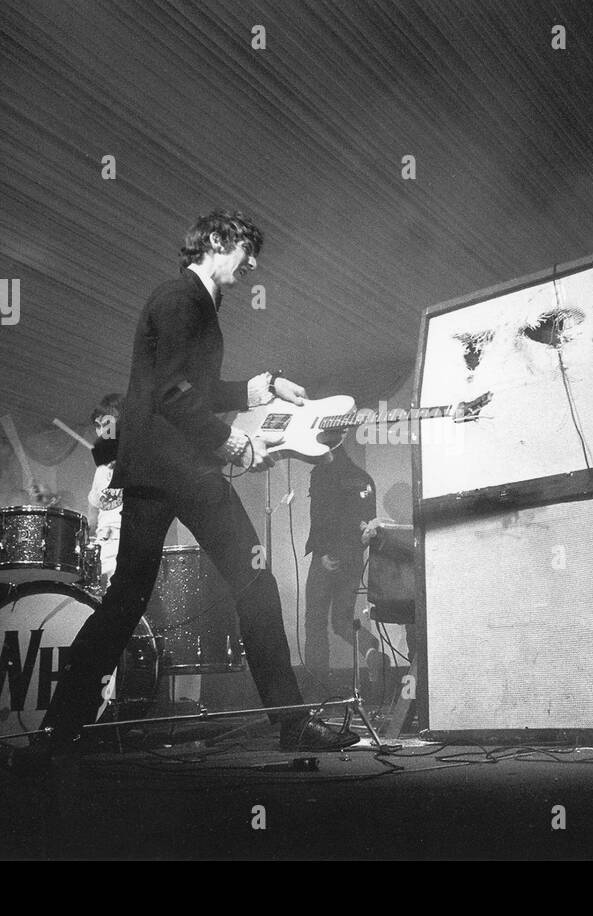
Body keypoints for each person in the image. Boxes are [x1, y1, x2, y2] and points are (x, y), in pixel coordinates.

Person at [39, 210, 356, 753]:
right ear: (215, 241)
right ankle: (292, 721)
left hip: (155, 470)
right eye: (246, 249)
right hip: (183, 468)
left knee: (125, 600)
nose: (253, 263)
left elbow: (194, 389)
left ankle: (57, 731)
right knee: (256, 579)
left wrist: (264, 387)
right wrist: (228, 441)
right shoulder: (181, 299)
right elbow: (173, 395)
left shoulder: (194, 304)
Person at [303, 444, 382, 697]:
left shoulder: (322, 472)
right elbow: (367, 521)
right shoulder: (364, 478)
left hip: (327, 557)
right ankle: (369, 648)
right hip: (353, 557)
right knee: (342, 620)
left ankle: (317, 687)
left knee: (315, 621)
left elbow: (322, 514)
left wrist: (325, 551)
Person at [87, 393, 123, 583]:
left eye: (107, 425)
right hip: (104, 549)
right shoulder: (101, 470)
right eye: (98, 426)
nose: (102, 432)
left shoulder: (140, 459)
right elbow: (92, 520)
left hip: (128, 548)